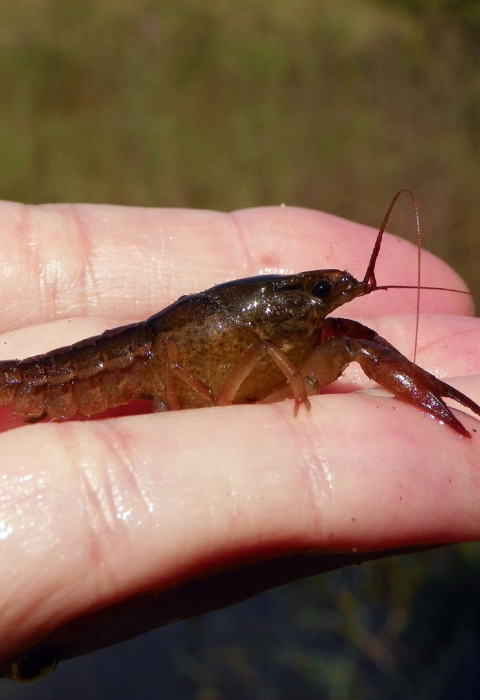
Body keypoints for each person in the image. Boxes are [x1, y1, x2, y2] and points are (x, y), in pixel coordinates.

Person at [1, 201, 479, 680]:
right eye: (318, 289)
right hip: (72, 374)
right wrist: (287, 370)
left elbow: (350, 340)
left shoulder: (321, 327)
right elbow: (265, 349)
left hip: (144, 361)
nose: (327, 296)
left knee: (349, 337)